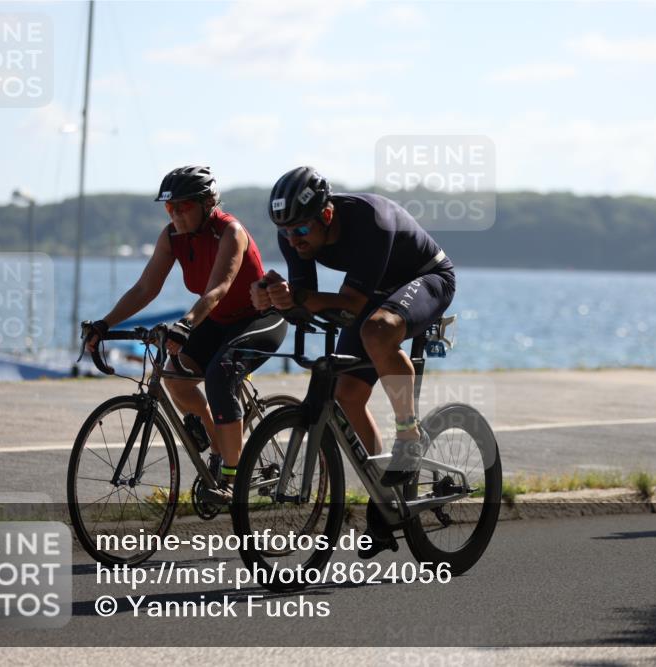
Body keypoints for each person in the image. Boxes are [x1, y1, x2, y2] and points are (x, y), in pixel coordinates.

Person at [251, 166, 455, 557]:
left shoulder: (369, 222)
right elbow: (305, 299)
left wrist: (296, 298)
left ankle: (409, 436)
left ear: (326, 214)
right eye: (286, 232)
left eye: (301, 230)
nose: (293, 240)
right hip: (376, 289)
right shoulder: (292, 233)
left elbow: (352, 304)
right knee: (347, 395)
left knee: (376, 331)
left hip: (426, 278)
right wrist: (271, 297)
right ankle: (384, 495)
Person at [85, 165, 287, 502]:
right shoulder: (172, 237)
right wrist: (105, 324)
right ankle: (218, 446)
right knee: (174, 376)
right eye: (170, 207)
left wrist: (186, 323)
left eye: (183, 207)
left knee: (220, 376)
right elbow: (145, 288)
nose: (175, 215)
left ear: (207, 203)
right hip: (217, 320)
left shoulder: (230, 232)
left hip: (258, 319)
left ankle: (232, 479)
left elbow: (218, 289)